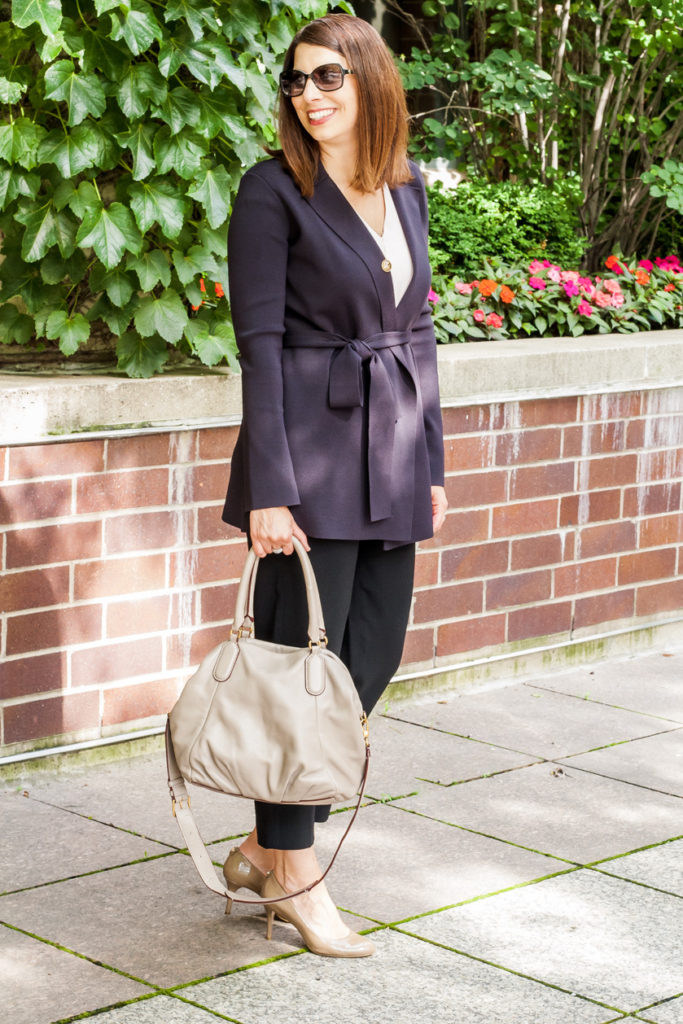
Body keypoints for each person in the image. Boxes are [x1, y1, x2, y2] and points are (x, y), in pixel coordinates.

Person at [220, 12, 447, 958]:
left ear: (370, 83)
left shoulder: (405, 184)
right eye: (296, 82)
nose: (308, 96)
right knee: (296, 676)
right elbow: (259, 345)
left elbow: (421, 332)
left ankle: (262, 847)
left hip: (390, 454)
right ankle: (295, 875)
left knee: (371, 658)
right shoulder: (272, 192)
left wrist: (431, 463)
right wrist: (269, 488)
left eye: (327, 79)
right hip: (307, 464)